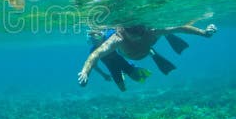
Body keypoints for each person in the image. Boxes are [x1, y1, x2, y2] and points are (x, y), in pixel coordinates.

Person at [77, 23, 217, 88]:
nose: (136, 32)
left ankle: (165, 38)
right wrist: (85, 71)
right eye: (131, 30)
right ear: (122, 30)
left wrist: (203, 32)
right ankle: (154, 48)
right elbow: (95, 54)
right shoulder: (117, 38)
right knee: (162, 33)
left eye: (139, 28)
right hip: (135, 51)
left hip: (146, 45)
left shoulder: (150, 31)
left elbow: (180, 27)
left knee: (165, 30)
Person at [84, 28, 151, 92]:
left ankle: (133, 67)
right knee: (123, 89)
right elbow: (94, 65)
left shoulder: (109, 37)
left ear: (102, 35)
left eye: (95, 38)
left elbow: (120, 33)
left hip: (122, 63)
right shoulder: (93, 50)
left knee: (138, 78)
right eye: (91, 39)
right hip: (113, 69)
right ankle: (128, 70)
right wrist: (103, 75)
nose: (94, 41)